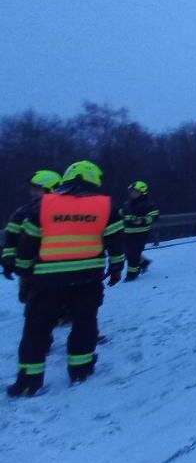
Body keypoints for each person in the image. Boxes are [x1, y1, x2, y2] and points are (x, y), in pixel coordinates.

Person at [7, 160, 125, 397]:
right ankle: (81, 370)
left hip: (47, 280)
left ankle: (29, 381)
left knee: (36, 329)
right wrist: (116, 268)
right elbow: (115, 240)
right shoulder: (105, 206)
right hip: (87, 279)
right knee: (84, 323)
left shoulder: (42, 205)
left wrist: (24, 272)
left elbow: (27, 242)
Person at [3, 171, 62, 304]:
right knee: (30, 299)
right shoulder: (23, 212)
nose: (32, 193)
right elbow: (11, 237)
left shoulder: (65, 211)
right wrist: (8, 260)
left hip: (56, 267)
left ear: (51, 189)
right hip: (31, 268)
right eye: (32, 189)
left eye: (37, 189)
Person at [120, 181, 159, 282]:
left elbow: (154, 216)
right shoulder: (127, 203)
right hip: (126, 232)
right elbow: (121, 213)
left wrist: (142, 220)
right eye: (131, 191)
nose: (132, 193)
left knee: (133, 254)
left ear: (142, 192)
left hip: (140, 233)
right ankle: (143, 263)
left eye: (135, 191)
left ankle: (132, 274)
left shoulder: (149, 204)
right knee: (128, 252)